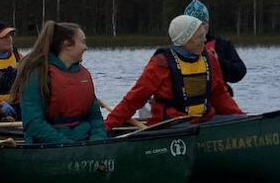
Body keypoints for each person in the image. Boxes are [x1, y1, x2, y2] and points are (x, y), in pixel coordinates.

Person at [105, 13, 246, 130]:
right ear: (186, 40)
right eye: (199, 37)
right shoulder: (161, 63)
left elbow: (220, 95)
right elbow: (134, 100)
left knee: (239, 121)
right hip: (171, 125)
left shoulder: (210, 58)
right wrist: (108, 126)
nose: (205, 40)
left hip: (203, 122)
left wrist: (243, 119)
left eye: (204, 35)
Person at [15, 20, 108, 145]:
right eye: (83, 42)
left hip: (85, 142)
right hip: (50, 145)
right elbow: (34, 123)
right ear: (67, 45)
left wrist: (97, 142)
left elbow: (95, 117)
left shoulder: (83, 75)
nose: (85, 47)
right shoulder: (38, 75)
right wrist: (67, 146)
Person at [184, 0, 248, 86]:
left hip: (217, 95)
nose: (200, 28)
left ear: (208, 23)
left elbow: (239, 72)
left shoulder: (222, 45)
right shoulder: (180, 47)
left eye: (203, 23)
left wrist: (219, 62)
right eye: (196, 24)